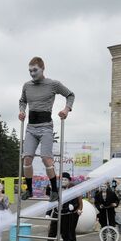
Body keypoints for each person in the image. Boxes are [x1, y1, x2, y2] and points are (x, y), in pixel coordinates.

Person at [18, 56, 75, 202]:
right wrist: (22, 110)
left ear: (43, 69)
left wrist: (66, 110)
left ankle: (54, 191)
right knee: (27, 158)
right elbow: (22, 100)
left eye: (35, 70)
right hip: (31, 128)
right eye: (30, 71)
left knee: (46, 158)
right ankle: (29, 190)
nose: (32, 73)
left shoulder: (53, 84)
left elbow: (70, 94)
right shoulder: (27, 85)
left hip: (46, 127)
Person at [42, 173, 79, 241]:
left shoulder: (72, 191)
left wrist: (73, 206)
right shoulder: (56, 191)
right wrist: (48, 213)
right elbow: (51, 202)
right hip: (56, 214)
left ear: (69, 181)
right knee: (51, 233)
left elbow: (76, 202)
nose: (63, 181)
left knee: (66, 235)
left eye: (65, 180)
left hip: (66, 216)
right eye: (62, 180)